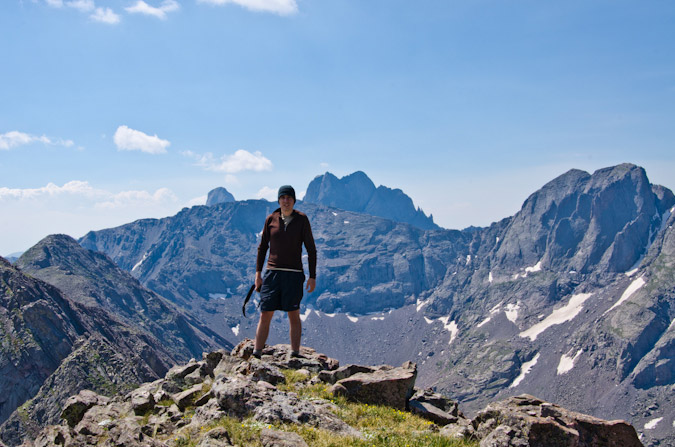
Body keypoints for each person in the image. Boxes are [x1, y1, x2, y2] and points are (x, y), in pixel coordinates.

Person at [253, 185, 317, 358]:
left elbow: (311, 249)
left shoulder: (302, 220)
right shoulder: (270, 219)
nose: (286, 201)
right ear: (279, 200)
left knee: (293, 314)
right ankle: (256, 353)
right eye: (283, 197)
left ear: (294, 200)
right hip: (272, 273)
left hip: (294, 274)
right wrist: (258, 274)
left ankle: (295, 354)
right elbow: (262, 248)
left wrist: (312, 276)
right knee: (265, 313)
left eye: (289, 198)